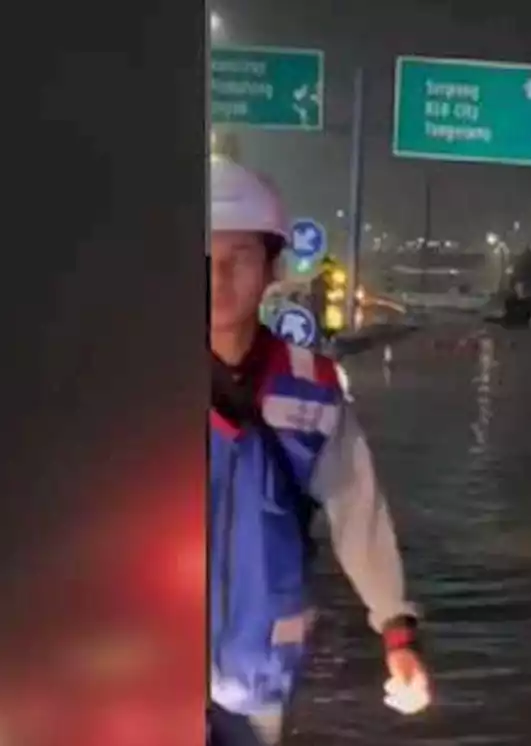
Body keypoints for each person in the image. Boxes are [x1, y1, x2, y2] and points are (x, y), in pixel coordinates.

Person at [208, 155, 429, 745]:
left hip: (256, 681)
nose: (218, 278)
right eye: (204, 259)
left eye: (240, 259)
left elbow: (358, 513)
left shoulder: (313, 387)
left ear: (272, 267)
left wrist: (397, 634)